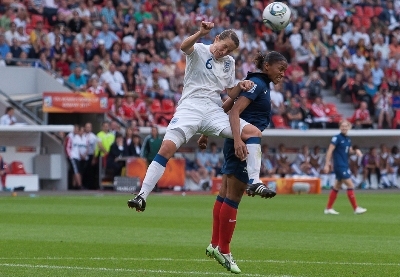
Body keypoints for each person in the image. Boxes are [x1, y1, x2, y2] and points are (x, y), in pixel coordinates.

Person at [128, 22, 274, 212]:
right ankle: (142, 196)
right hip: (190, 107)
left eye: (229, 49)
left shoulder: (229, 62)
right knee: (166, 149)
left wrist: (242, 85)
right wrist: (200, 32)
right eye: (224, 46)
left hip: (212, 110)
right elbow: (183, 47)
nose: (224, 51)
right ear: (216, 39)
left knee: (253, 133)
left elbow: (230, 92)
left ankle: (254, 181)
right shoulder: (198, 49)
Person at [202, 51, 287, 274]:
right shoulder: (258, 84)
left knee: (224, 193)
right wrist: (239, 140)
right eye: (280, 69)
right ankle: (225, 250)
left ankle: (214, 244)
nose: (283, 74)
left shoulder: (256, 83)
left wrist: (206, 134)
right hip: (241, 143)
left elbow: (229, 104)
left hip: (235, 140)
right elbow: (235, 111)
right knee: (233, 197)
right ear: (267, 66)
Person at [323, 120, 367, 215]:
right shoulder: (336, 138)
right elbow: (330, 151)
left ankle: (328, 208)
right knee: (350, 185)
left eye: (346, 126)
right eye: (342, 126)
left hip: (344, 165)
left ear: (349, 127)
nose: (344, 128)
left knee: (337, 187)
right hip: (339, 165)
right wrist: (327, 164)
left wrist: (356, 151)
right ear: (339, 127)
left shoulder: (348, 139)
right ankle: (356, 208)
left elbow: (349, 151)